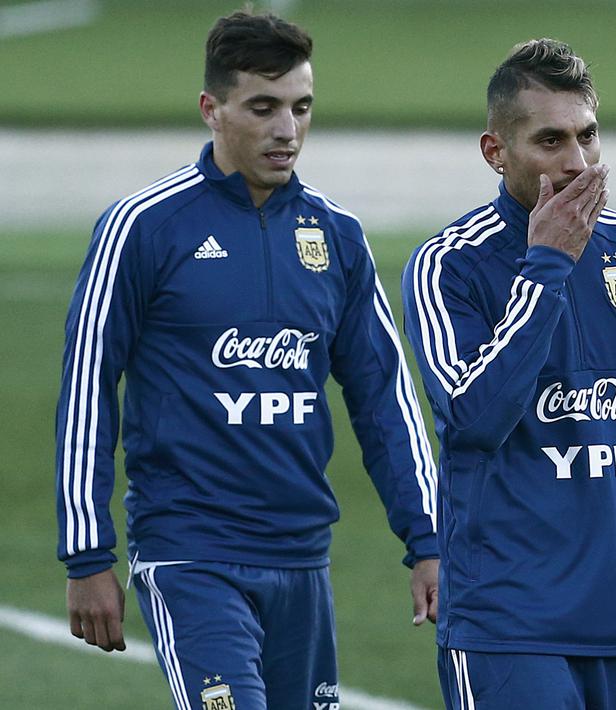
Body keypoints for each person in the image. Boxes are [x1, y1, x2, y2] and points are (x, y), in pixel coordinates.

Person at [55, 10, 439, 709]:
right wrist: (88, 553)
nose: (287, 129)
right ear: (212, 109)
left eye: (300, 107)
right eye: (262, 107)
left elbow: (385, 399)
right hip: (189, 551)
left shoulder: (337, 236)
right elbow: (87, 386)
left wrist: (430, 538)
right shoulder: (142, 226)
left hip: (301, 558)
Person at [402, 38, 616, 710]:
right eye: (549, 141)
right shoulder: (449, 265)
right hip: (505, 632)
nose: (576, 162)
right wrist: (547, 267)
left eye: (587, 136)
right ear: (495, 151)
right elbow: (473, 420)